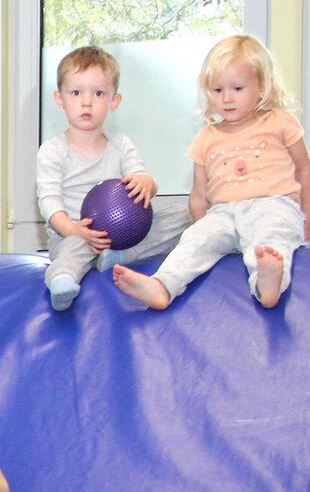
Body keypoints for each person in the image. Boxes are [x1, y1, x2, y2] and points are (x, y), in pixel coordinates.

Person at [115, 35, 310, 310]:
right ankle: (162, 285)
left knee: (272, 237)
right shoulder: (207, 137)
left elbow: (303, 167)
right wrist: (201, 227)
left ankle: (268, 283)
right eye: (217, 90)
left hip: (273, 203)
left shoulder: (278, 121)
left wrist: (307, 216)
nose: (226, 98)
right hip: (223, 214)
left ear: (262, 87)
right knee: (192, 243)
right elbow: (199, 195)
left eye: (237, 88)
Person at [36, 46, 188, 311]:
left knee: (182, 217)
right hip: (75, 233)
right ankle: (61, 280)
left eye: (98, 93)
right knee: (72, 251)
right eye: (76, 93)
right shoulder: (53, 150)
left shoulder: (120, 145)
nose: (87, 102)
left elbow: (139, 174)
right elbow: (48, 201)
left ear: (113, 102)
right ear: (59, 99)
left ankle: (118, 256)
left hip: (123, 236)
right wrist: (73, 229)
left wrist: (146, 183)